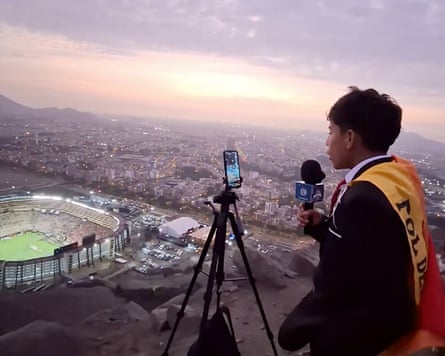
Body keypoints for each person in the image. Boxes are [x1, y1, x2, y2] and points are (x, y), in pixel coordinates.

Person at [278, 87, 445, 355]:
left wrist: (294, 329)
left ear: (349, 138)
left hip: (358, 336)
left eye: (331, 131)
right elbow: (371, 249)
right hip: (394, 319)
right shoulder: (398, 177)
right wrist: (324, 226)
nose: (327, 142)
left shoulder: (361, 199)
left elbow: (334, 284)